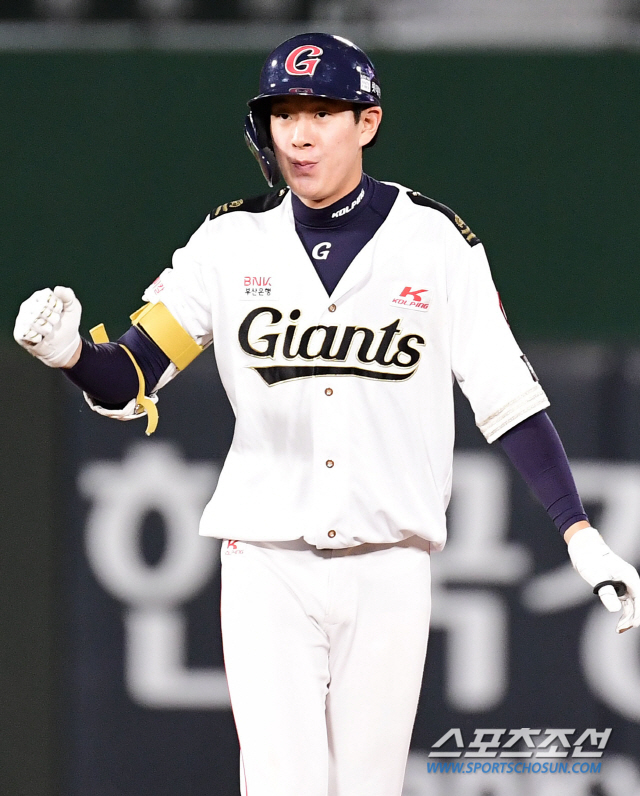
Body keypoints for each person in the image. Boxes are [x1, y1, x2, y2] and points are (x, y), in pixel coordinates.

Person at [13, 32, 640, 796]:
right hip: (266, 558)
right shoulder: (229, 243)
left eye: (322, 112)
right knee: (286, 784)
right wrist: (73, 355)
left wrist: (579, 533)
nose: (300, 135)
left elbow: (507, 396)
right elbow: (133, 375)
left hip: (391, 562)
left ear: (367, 122)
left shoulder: (435, 243)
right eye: (284, 114)